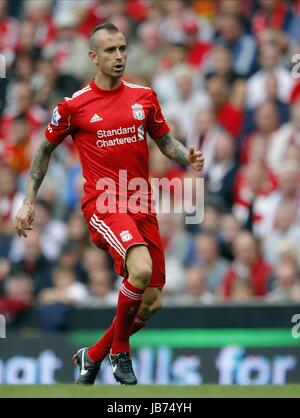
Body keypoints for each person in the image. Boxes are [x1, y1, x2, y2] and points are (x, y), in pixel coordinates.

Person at [14, 23, 204, 386]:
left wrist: (186, 156)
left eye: (122, 49)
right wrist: (27, 202)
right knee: (142, 269)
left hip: (141, 203)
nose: (118, 57)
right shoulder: (74, 106)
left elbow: (165, 142)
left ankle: (95, 354)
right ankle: (120, 352)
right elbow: (43, 151)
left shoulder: (144, 96)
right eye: (110, 51)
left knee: (151, 302)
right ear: (93, 57)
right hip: (104, 202)